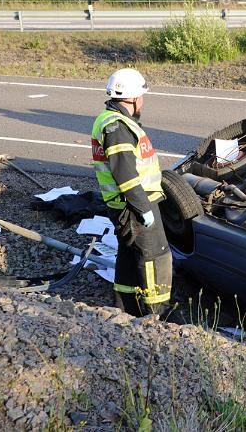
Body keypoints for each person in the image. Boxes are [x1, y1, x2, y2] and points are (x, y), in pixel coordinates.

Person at [91, 68, 172, 318]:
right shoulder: (117, 128)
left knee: (129, 255)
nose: (143, 101)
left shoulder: (112, 120)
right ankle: (156, 315)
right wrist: (144, 209)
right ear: (134, 98)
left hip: (125, 205)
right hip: (134, 205)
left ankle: (126, 308)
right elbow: (125, 175)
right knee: (155, 258)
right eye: (142, 96)